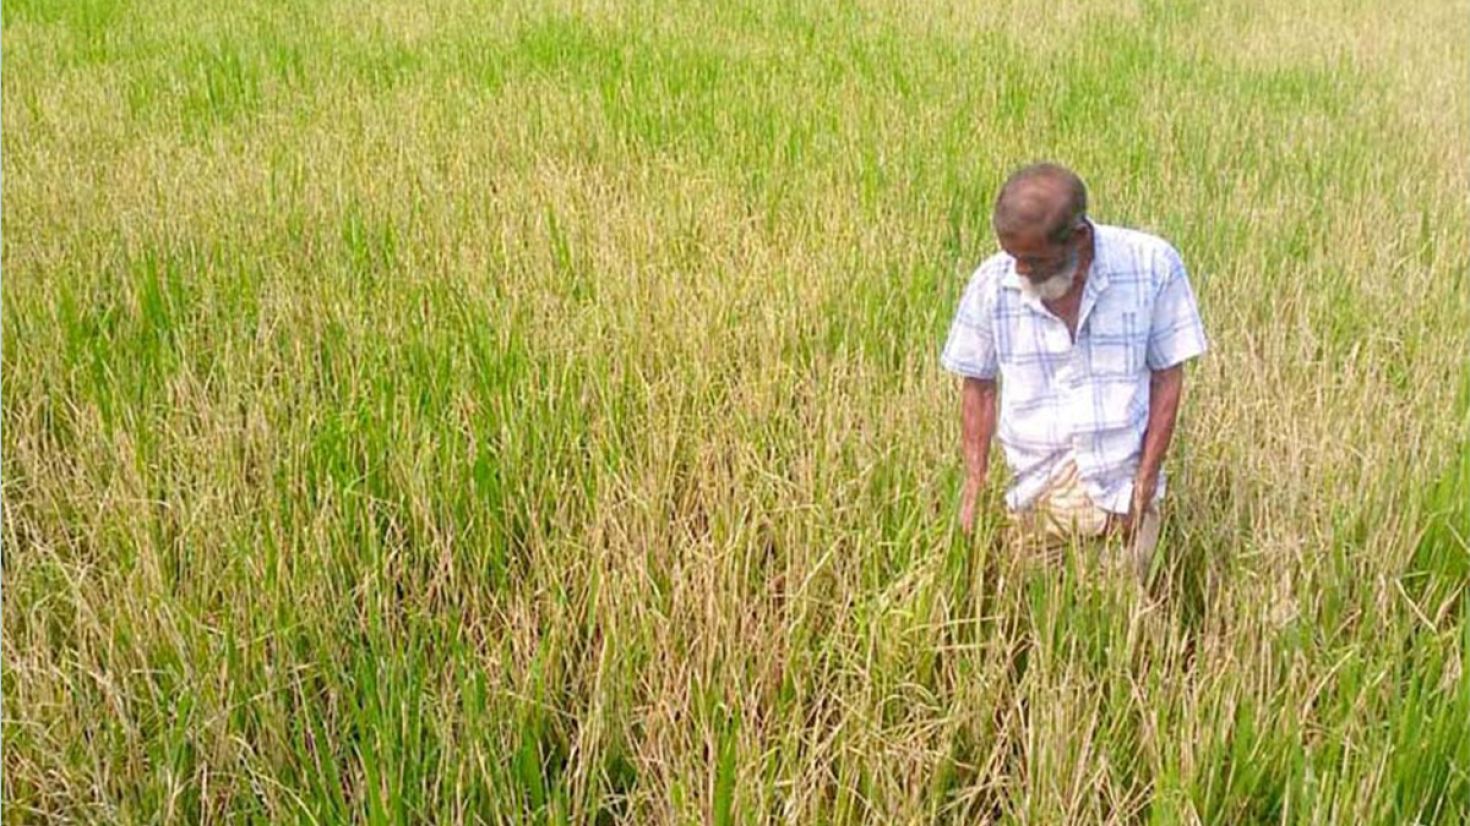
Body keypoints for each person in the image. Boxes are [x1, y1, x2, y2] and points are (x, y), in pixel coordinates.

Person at [940, 162, 1208, 576]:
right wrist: (974, 488)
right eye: (1013, 256)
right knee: (1039, 617)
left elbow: (1167, 378)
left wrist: (1144, 486)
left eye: (1034, 259)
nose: (1021, 271)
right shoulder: (992, 283)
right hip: (1035, 493)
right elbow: (978, 386)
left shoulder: (1151, 266)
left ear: (1079, 238)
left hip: (1120, 489)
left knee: (1121, 620)